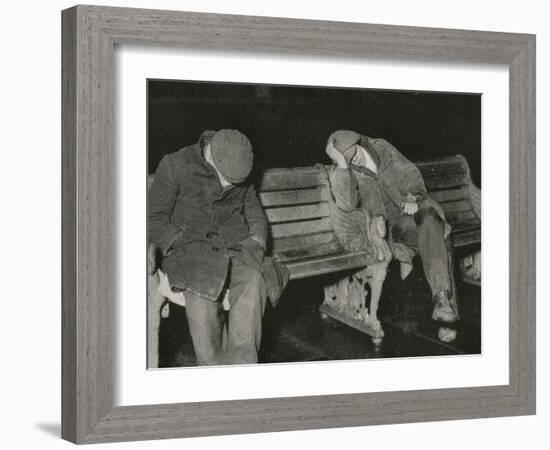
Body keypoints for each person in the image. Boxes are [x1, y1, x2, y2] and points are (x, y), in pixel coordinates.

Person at [148, 129, 269, 366]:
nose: (228, 187)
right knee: (202, 292)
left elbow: (255, 213)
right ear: (211, 155)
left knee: (255, 279)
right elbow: (153, 218)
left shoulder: (239, 165)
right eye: (226, 179)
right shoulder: (176, 164)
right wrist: (178, 241)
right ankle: (212, 371)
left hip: (234, 248)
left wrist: (257, 240)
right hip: (189, 252)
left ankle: (244, 368)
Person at [324, 129, 458, 325]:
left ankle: (441, 300)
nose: (354, 161)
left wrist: (413, 196)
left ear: (360, 143)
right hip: (387, 228)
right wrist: (343, 166)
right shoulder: (343, 172)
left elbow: (410, 171)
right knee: (438, 237)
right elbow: (347, 205)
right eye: (347, 160)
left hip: (411, 212)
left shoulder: (382, 148)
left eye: (353, 155)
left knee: (431, 220)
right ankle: (447, 305)